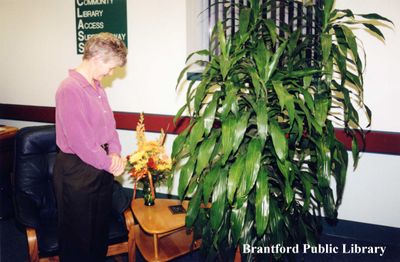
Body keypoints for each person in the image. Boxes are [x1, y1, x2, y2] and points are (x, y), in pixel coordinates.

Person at [53, 32, 127, 262]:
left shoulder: (97, 87)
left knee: (98, 234)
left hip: (100, 165)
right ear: (96, 60)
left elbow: (109, 126)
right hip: (78, 170)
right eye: (111, 67)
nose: (111, 73)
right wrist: (110, 164)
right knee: (78, 239)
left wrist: (115, 152)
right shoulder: (69, 89)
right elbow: (81, 142)